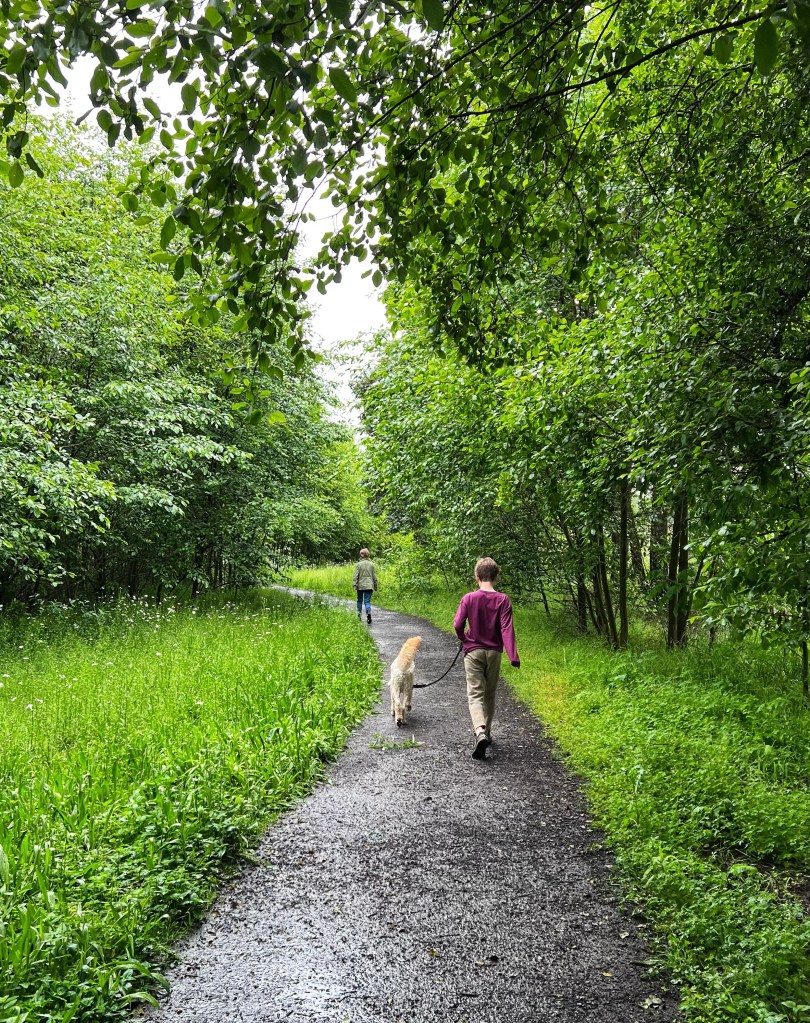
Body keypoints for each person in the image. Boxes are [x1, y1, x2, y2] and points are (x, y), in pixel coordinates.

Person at [453, 556, 520, 760]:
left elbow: (458, 624)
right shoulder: (503, 600)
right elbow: (506, 629)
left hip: (473, 651)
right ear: (496, 577)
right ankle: (487, 733)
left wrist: (464, 638)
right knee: (489, 694)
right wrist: (513, 655)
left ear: (477, 577)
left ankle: (479, 731)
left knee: (475, 694)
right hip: (494, 653)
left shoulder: (469, 598)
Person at [352, 548, 378, 625]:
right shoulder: (372, 564)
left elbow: (355, 576)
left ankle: (359, 616)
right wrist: (375, 585)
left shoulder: (358, 564)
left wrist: (354, 585)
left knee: (359, 601)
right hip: (369, 585)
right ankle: (368, 613)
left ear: (361, 555)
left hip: (360, 586)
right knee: (367, 601)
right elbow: (374, 576)